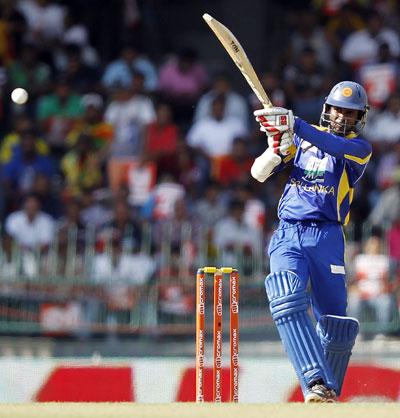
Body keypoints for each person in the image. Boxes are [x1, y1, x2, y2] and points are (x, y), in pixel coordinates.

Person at [251, 81, 372, 403]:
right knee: (286, 296)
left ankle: (327, 396)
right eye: (338, 110)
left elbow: (332, 145)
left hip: (327, 237)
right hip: (289, 232)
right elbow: (258, 173)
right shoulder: (301, 141)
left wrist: (295, 124)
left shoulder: (359, 149)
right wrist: (277, 146)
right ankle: (315, 380)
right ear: (327, 109)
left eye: (351, 112)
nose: (343, 117)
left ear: (360, 117)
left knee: (335, 325)